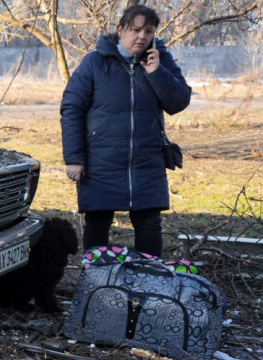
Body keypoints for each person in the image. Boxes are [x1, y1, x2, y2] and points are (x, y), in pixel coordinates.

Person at [61, 4, 191, 258]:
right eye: (136, 29)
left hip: (147, 161)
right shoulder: (95, 63)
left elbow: (178, 102)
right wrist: (74, 158)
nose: (142, 36)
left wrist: (157, 73)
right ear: (120, 30)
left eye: (149, 31)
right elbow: (72, 109)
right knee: (97, 224)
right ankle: (95, 283)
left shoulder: (161, 61)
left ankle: (149, 282)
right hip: (101, 161)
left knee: (149, 225)